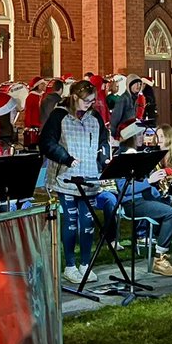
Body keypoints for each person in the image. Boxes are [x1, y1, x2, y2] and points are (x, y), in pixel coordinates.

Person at [40, 80, 111, 284]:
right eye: (86, 101)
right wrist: (66, 158)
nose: (89, 104)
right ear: (74, 97)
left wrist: (104, 158)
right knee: (70, 221)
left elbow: (103, 140)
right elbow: (46, 142)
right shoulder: (59, 115)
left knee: (87, 222)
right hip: (66, 178)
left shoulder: (94, 117)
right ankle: (70, 266)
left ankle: (85, 264)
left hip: (89, 177)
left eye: (92, 101)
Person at [112, 120, 172, 276]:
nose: (144, 138)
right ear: (132, 137)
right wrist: (149, 181)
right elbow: (124, 189)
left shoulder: (141, 155)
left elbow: (149, 188)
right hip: (132, 202)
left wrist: (162, 194)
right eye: (140, 135)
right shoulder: (123, 157)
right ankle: (160, 259)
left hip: (148, 199)